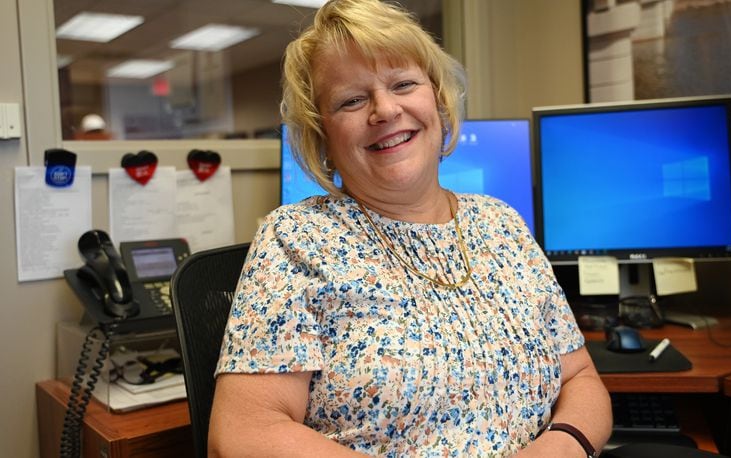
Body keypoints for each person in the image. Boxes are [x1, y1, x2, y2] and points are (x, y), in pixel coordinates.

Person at [209, 0, 612, 456]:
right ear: (323, 137)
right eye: (352, 100)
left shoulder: (502, 224)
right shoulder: (298, 238)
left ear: (438, 103)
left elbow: (580, 377)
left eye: (403, 84)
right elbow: (243, 432)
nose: (384, 110)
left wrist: (563, 445)